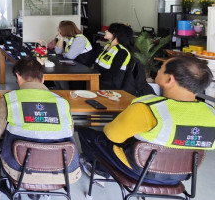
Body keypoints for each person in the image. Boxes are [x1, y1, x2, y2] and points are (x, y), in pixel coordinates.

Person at [79, 56, 215, 184]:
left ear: (169, 79)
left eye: (161, 68)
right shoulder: (211, 113)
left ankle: (99, 171)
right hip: (181, 175)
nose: (158, 70)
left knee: (87, 133)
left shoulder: (149, 107)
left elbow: (112, 135)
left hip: (140, 172)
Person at [0, 58, 80, 199]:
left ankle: (11, 185)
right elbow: (70, 132)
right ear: (43, 78)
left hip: (19, 168)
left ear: (18, 77)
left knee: (1, 137)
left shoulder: (10, 99)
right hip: (63, 169)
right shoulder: (62, 102)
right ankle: (37, 190)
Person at [95, 23, 133, 90]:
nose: (105, 31)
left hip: (109, 86)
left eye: (108, 30)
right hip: (98, 80)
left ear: (115, 34)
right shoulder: (107, 46)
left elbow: (113, 73)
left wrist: (94, 78)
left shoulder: (122, 51)